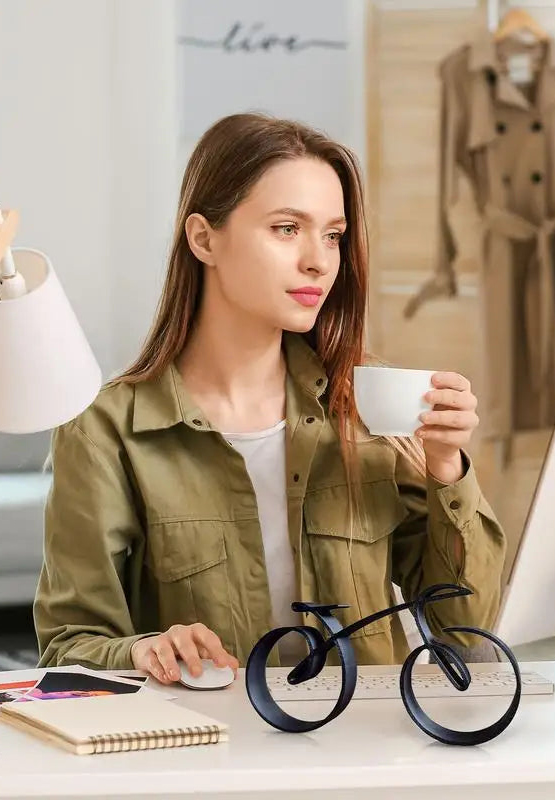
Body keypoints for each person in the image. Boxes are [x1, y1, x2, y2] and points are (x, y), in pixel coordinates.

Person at [34, 113, 506, 686]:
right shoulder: (105, 430)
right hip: (211, 758)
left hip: (365, 751)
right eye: (287, 228)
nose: (320, 260)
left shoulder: (366, 403)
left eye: (333, 235)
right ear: (204, 238)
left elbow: (466, 633)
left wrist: (447, 467)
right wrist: (147, 650)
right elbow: (69, 649)